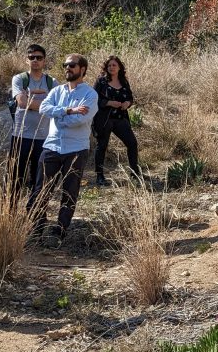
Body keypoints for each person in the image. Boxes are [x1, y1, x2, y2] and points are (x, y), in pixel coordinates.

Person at [27, 53, 98, 247]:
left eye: (72, 65)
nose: (67, 68)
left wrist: (59, 116)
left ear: (82, 69)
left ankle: (59, 231)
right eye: (65, 65)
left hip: (76, 149)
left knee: (69, 192)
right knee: (40, 191)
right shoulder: (57, 91)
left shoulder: (90, 94)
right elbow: (44, 109)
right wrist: (68, 110)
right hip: (51, 146)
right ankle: (35, 229)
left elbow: (80, 120)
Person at [9, 43, 57, 198]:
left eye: (39, 57)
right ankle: (10, 213)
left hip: (44, 138)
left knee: (39, 180)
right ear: (27, 60)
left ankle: (36, 216)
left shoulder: (52, 82)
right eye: (32, 57)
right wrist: (46, 104)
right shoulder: (19, 79)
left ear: (44, 61)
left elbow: (57, 106)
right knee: (15, 178)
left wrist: (30, 99)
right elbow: (22, 103)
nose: (35, 60)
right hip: (21, 136)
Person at [92, 55, 139, 187]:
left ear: (119, 67)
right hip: (104, 119)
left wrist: (127, 103)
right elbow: (93, 99)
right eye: (109, 65)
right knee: (102, 146)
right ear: (106, 68)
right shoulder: (101, 81)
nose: (111, 67)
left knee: (132, 143)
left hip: (120, 118)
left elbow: (130, 97)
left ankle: (135, 172)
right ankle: (99, 176)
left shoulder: (124, 81)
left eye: (114, 65)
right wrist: (108, 102)